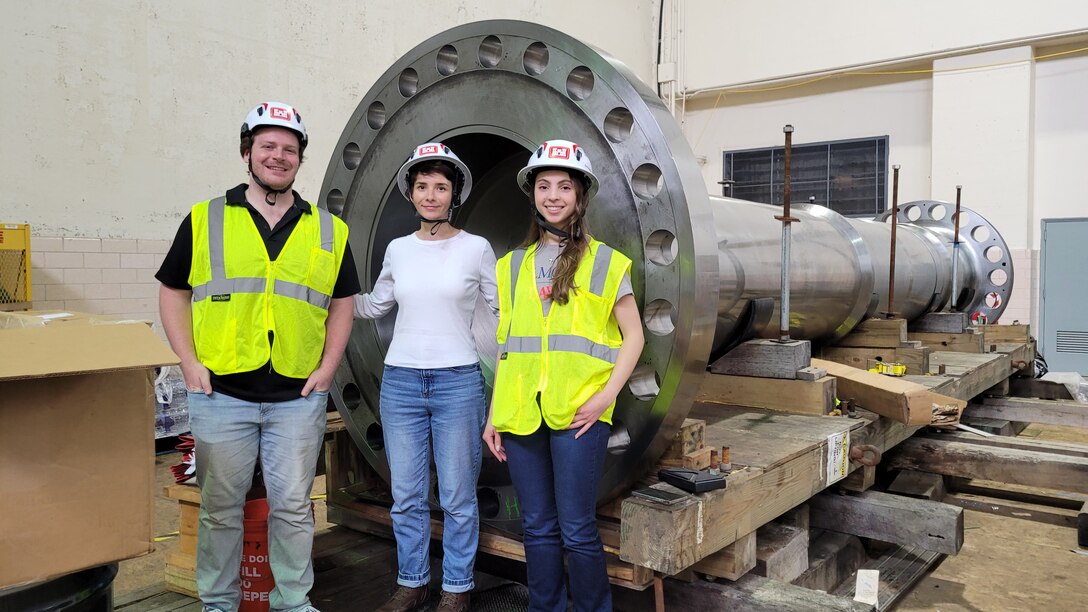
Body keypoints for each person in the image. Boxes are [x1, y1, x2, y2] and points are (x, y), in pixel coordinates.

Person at [157, 101, 359, 612]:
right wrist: (188, 359)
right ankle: (218, 605)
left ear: (299, 159)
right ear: (247, 152)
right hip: (221, 393)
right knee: (220, 511)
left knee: (293, 508)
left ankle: (293, 602)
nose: (278, 156)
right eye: (267, 146)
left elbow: (342, 302)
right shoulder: (206, 219)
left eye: (289, 149)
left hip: (297, 396)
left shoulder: (329, 231)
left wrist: (329, 366)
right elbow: (173, 291)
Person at [483, 140, 645, 612]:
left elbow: (633, 337)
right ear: (533, 194)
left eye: (564, 186)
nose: (553, 195)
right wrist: (495, 415)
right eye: (544, 185)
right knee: (536, 525)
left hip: (580, 412)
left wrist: (604, 399)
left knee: (576, 528)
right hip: (520, 413)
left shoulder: (607, 263)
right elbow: (507, 346)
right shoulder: (510, 266)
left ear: (580, 196)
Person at [354, 142, 498, 612]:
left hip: (458, 382)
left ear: (454, 193)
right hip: (401, 383)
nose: (431, 195)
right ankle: (412, 582)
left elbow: (502, 313)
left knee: (457, 496)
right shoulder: (398, 249)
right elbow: (375, 304)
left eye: (441, 186)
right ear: (411, 194)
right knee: (407, 496)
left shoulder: (476, 248)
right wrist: (321, 298)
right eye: (422, 187)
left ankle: (456, 589)